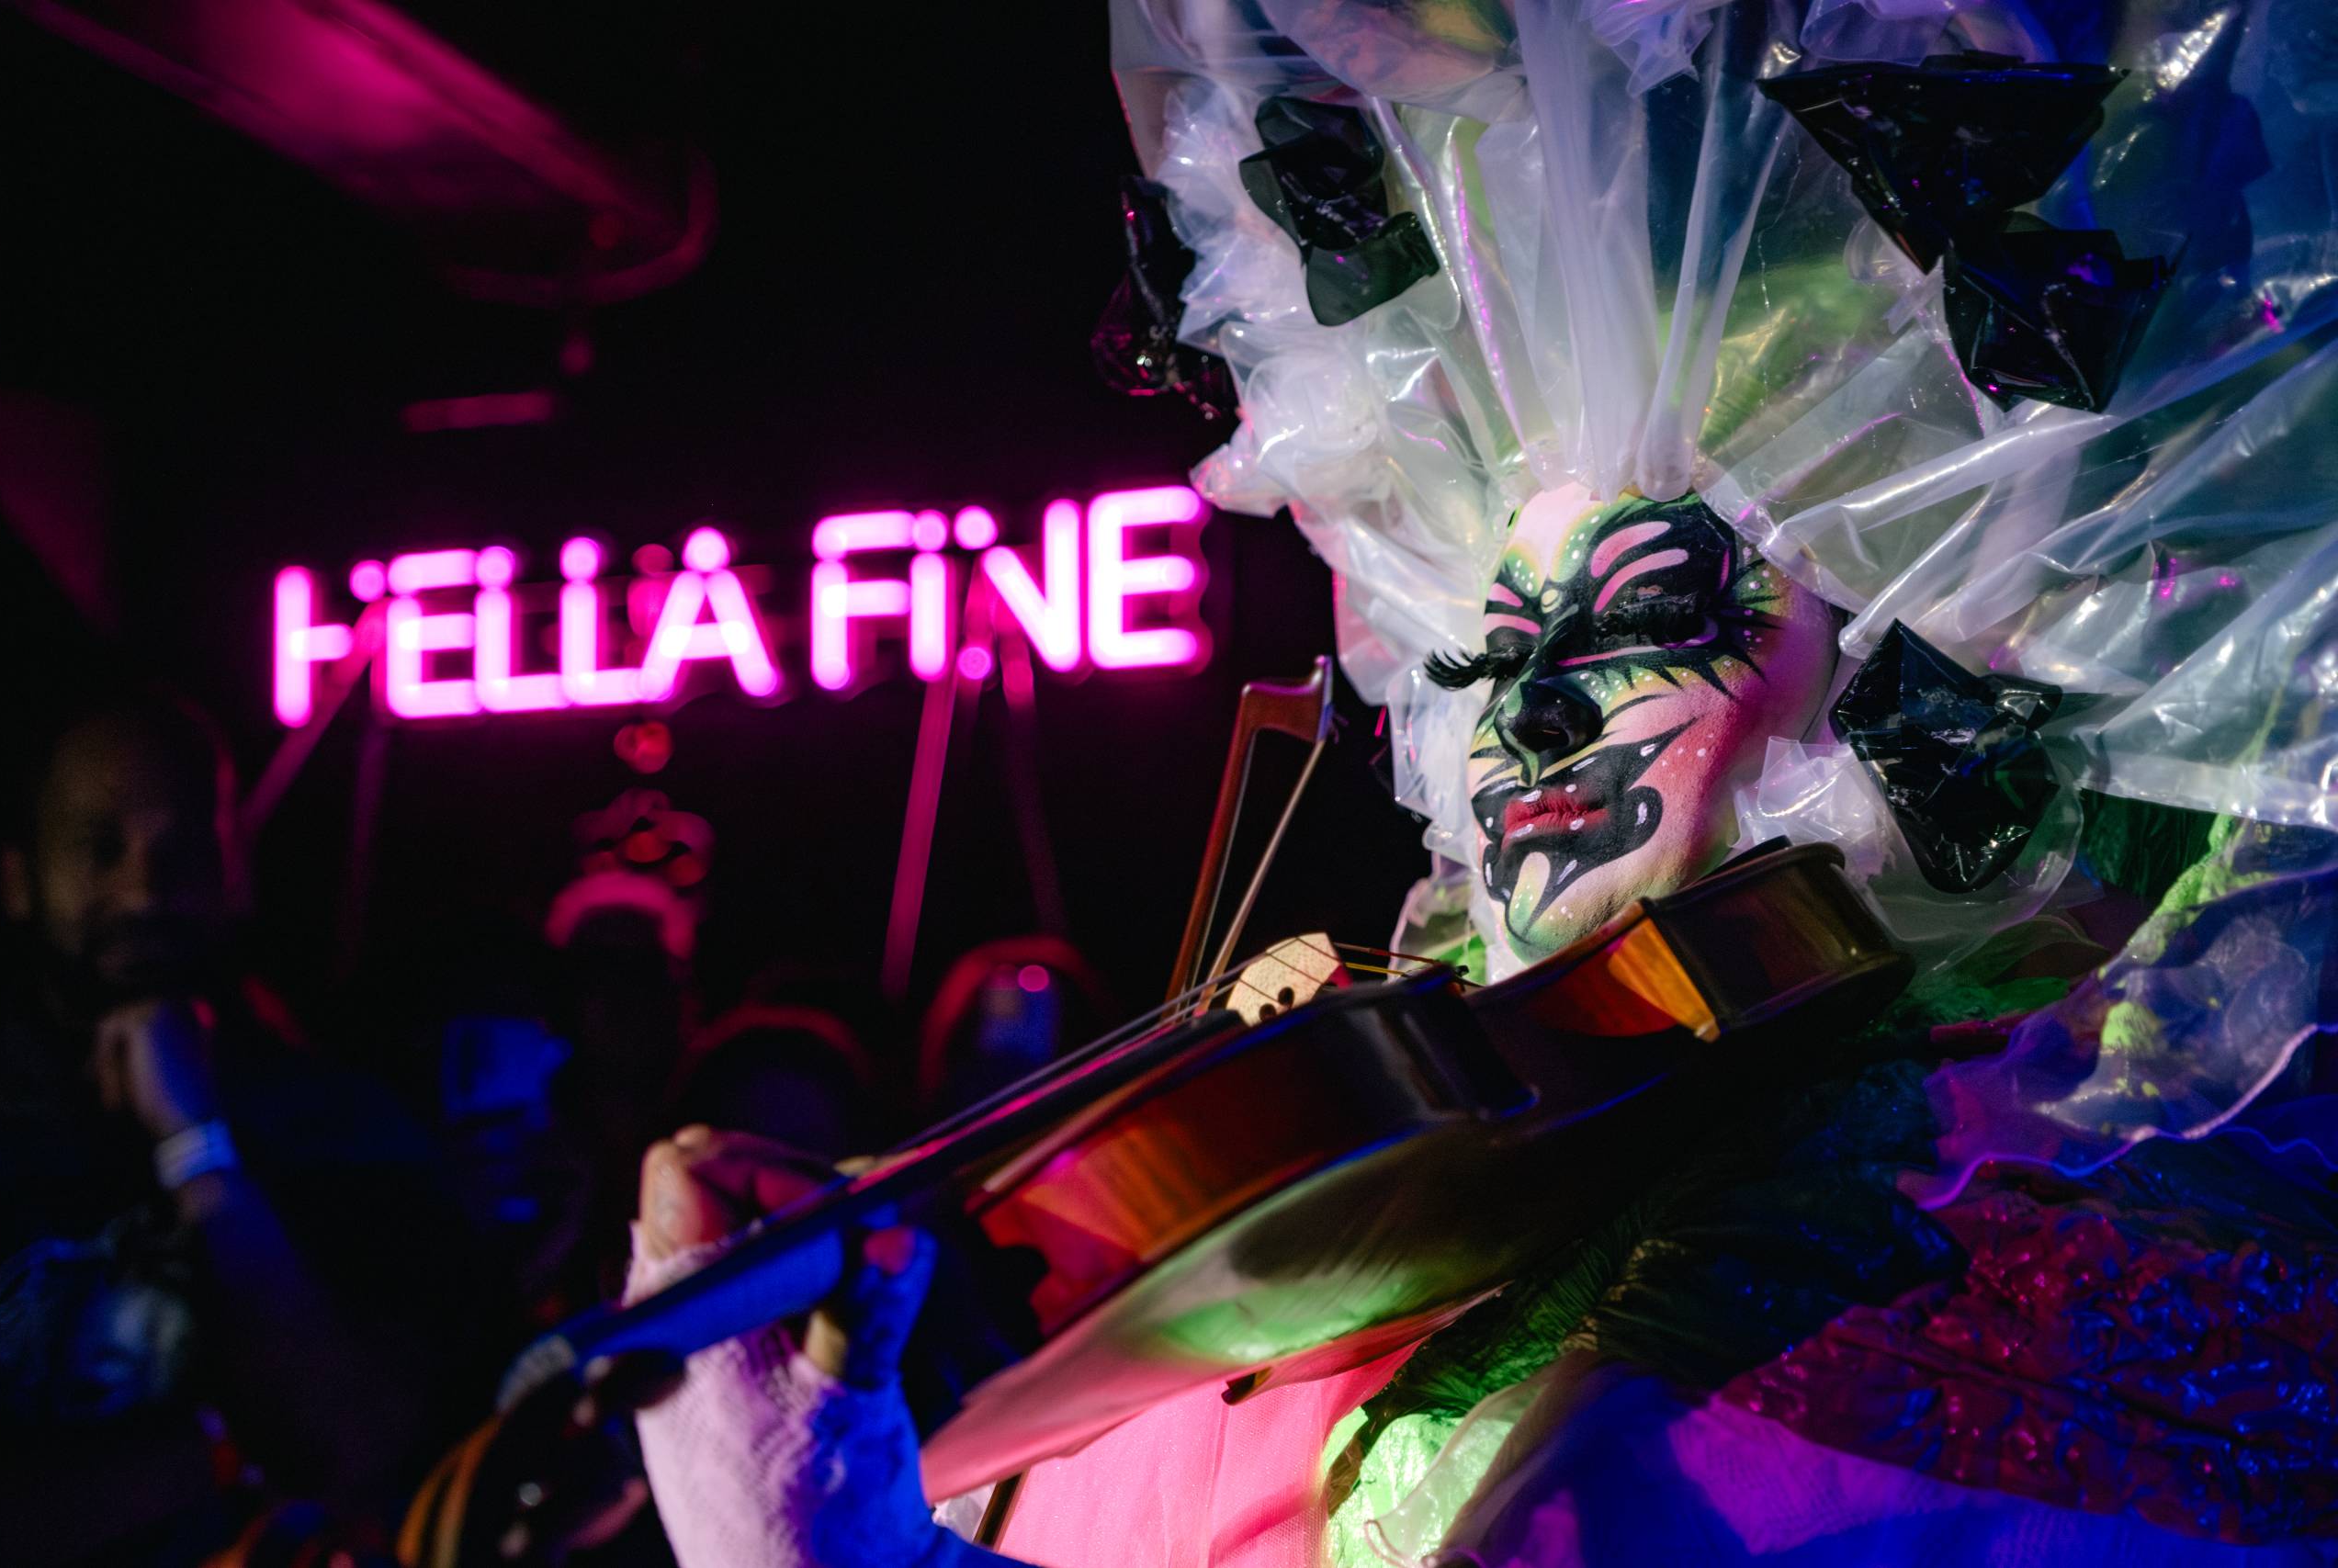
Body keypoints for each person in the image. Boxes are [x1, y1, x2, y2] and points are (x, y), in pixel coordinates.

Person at [616, 3, 2338, 1563]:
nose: (1525, 726)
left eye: (1647, 625)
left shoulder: (2008, 1206)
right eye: (1483, 658)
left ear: (1938, 656)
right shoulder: (1496, 1183)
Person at [0, 692, 466, 1565]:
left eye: (184, 850)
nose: (145, 888)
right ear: (18, 880)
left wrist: (200, 1149)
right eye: (100, 849)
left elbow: (361, 1444)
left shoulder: (346, 1125)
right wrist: (198, 1458)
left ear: (235, 870)